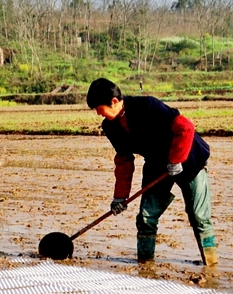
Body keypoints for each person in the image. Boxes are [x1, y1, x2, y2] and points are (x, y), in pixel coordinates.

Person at [86, 78, 216, 266]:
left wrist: (176, 159)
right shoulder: (110, 126)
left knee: (199, 216)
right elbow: (124, 161)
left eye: (99, 108)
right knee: (146, 217)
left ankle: (211, 265)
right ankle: (145, 266)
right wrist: (119, 197)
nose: (98, 114)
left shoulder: (147, 106)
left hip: (188, 158)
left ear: (114, 102)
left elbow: (185, 127)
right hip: (156, 163)